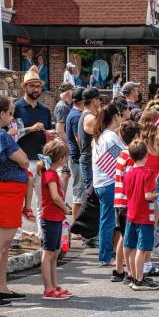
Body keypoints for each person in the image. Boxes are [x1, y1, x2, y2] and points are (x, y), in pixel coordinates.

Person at [0, 93, 29, 306]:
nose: (11, 117)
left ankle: (2, 288)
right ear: (2, 113)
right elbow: (23, 160)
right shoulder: (1, 136)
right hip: (5, 193)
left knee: (3, 246)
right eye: (10, 113)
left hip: (1, 192)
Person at [123, 139, 159, 291]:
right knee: (142, 249)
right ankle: (139, 279)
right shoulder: (148, 173)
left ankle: (132, 275)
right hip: (144, 215)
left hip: (131, 213)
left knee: (130, 246)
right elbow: (148, 195)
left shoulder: (128, 172)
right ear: (146, 155)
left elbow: (126, 192)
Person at [14, 66, 52, 238]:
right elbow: (12, 134)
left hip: (40, 160)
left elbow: (47, 134)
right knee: (19, 198)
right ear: (24, 87)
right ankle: (17, 235)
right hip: (21, 160)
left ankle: (42, 234)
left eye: (38, 86)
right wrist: (31, 129)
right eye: (32, 86)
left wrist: (50, 136)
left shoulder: (44, 110)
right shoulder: (16, 107)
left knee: (42, 199)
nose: (36, 89)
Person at [37, 140, 72, 300]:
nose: (66, 160)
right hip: (50, 216)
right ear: (59, 158)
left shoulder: (52, 173)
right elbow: (55, 197)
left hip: (55, 217)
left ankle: (53, 285)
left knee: (54, 252)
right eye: (65, 157)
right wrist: (66, 208)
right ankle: (48, 288)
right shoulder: (50, 174)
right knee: (48, 252)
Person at [92, 103, 126, 265]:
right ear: (115, 117)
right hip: (108, 182)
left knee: (106, 220)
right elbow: (121, 159)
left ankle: (108, 253)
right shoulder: (110, 137)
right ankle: (105, 256)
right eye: (120, 115)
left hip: (101, 182)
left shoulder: (102, 135)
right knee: (108, 221)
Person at [112, 120, 141, 282]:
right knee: (130, 239)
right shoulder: (131, 156)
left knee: (124, 236)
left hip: (120, 201)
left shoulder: (123, 153)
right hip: (127, 202)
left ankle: (118, 269)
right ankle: (131, 273)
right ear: (136, 135)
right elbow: (132, 181)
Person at [66, 87, 85, 223]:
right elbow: (79, 140)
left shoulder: (75, 113)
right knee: (78, 193)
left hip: (77, 158)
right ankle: (76, 227)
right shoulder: (76, 116)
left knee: (80, 192)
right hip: (77, 158)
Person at [78, 87, 101, 191]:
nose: (100, 102)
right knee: (91, 195)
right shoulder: (89, 118)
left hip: (89, 159)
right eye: (99, 99)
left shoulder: (89, 115)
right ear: (94, 100)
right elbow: (103, 134)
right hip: (88, 160)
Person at [54, 83, 74, 192]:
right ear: (68, 92)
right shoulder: (62, 106)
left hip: (65, 143)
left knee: (66, 174)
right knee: (64, 173)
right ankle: (60, 201)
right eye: (72, 90)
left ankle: (62, 201)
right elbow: (60, 130)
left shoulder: (66, 105)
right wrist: (69, 145)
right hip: (63, 144)